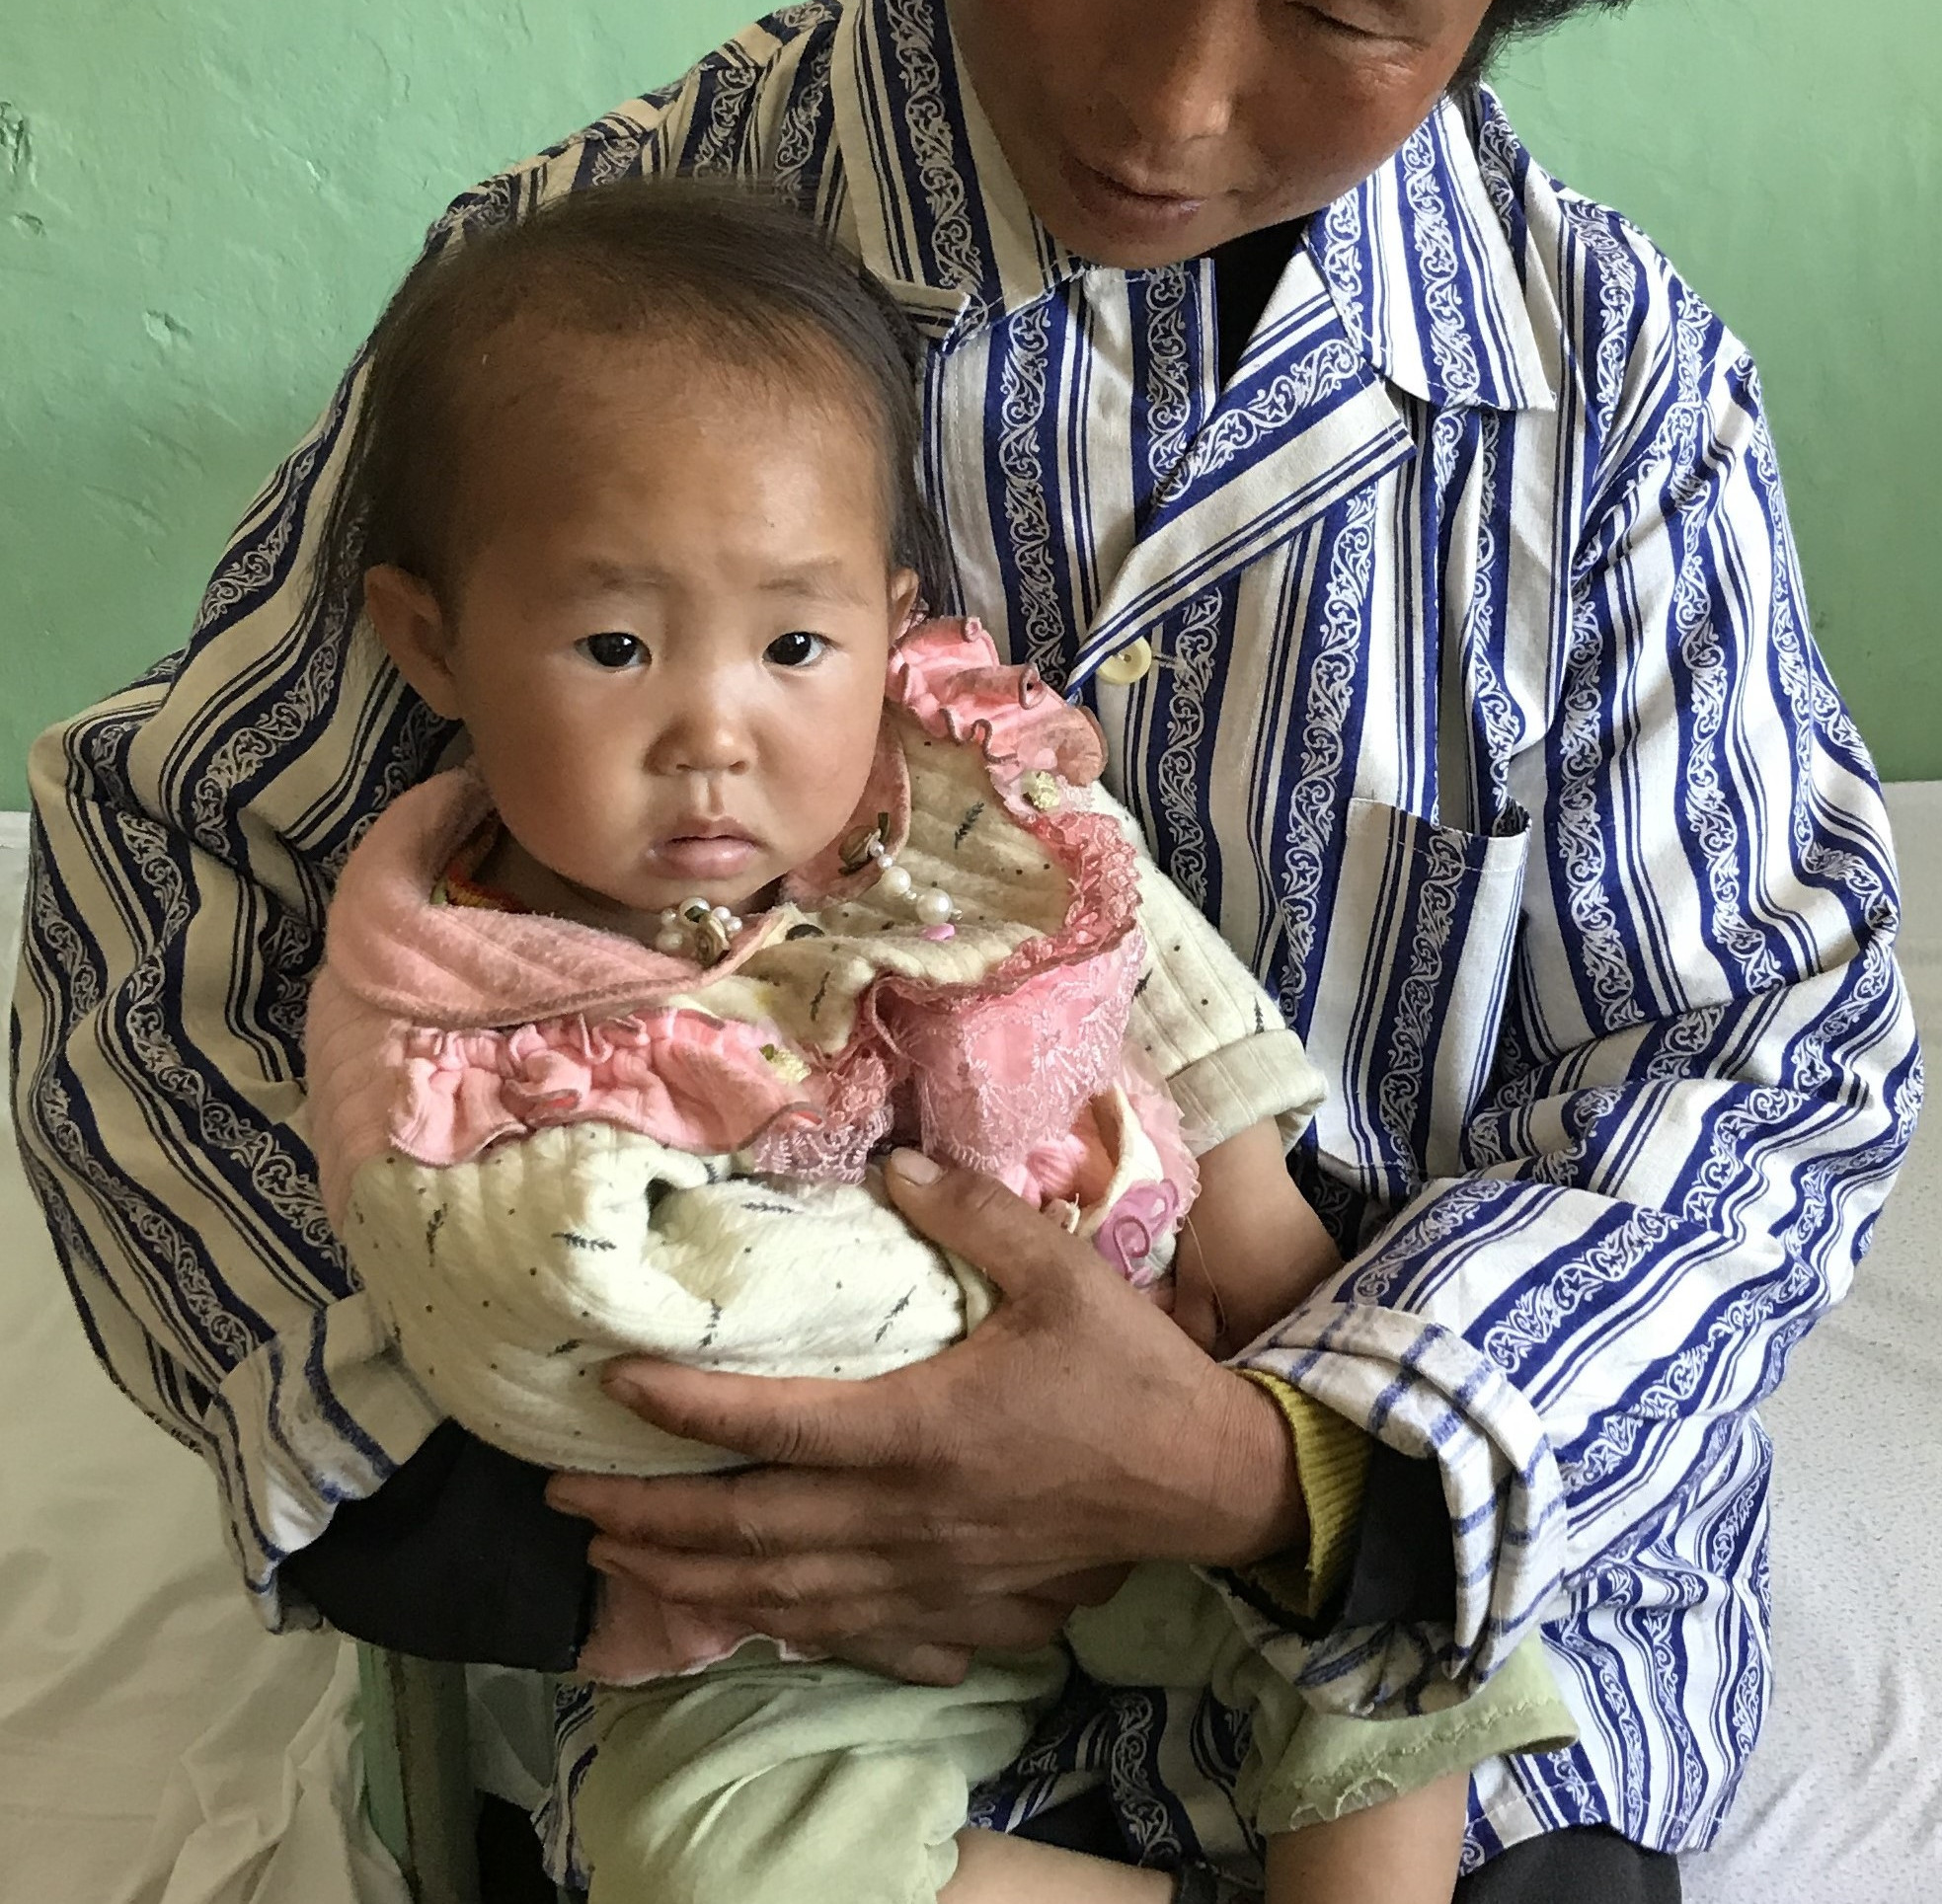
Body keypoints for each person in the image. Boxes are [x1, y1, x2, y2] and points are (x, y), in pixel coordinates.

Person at [11, 0, 1919, 1896]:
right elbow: (162, 885)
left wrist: (1288, 1455)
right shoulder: (589, 307)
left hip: (1368, 1575)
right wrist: (532, 1470)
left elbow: (1759, 1056)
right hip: (753, 1590)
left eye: (1345, 4)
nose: (1162, 93)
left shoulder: (1614, 413)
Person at [297, 177, 1579, 1903]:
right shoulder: (472, 1034)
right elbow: (606, 1321)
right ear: (431, 639)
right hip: (809, 1576)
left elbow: (1130, 935)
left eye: (794, 642)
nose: (714, 733)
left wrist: (1249, 1189)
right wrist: (985, 1369)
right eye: (614, 646)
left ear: (891, 624)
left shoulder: (927, 783)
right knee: (698, 1862)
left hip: (1169, 1395)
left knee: (1415, 1598)